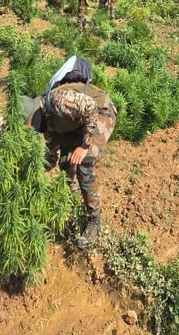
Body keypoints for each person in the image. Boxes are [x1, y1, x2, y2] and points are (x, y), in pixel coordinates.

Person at [22, 64, 117, 250]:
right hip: (78, 122)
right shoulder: (47, 124)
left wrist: (83, 145)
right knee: (67, 161)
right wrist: (30, 170)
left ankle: (94, 219)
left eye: (26, 126)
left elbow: (89, 108)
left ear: (31, 115)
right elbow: (52, 158)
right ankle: (75, 202)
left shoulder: (57, 100)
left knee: (83, 164)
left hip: (100, 113)